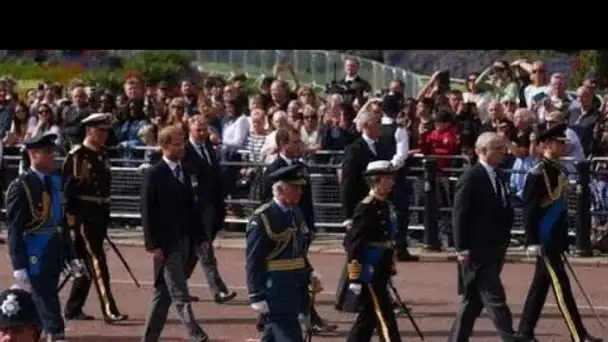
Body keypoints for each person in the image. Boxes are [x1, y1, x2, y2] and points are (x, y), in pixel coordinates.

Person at [517, 124, 603, 342]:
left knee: (539, 288)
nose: (564, 146)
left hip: (555, 239)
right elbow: (530, 210)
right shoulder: (538, 173)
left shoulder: (559, 170)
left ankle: (524, 333)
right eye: (560, 142)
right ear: (546, 144)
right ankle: (578, 335)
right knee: (561, 287)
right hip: (545, 241)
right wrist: (532, 241)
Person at [258, 127, 336, 334]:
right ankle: (308, 318)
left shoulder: (301, 167)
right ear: (282, 144)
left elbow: (307, 201)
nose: (298, 145)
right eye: (294, 142)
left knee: (297, 273)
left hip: (299, 228)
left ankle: (272, 317)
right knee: (293, 274)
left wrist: (309, 226)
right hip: (281, 232)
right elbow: (265, 199)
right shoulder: (273, 168)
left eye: (299, 142)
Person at [6, 134, 82, 342]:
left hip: (54, 250)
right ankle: (56, 334)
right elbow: (14, 228)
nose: (52, 157)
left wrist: (71, 254)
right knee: (46, 298)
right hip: (34, 252)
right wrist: (18, 264)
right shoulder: (21, 186)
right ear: (33, 155)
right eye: (47, 153)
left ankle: (33, 331)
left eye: (52, 152)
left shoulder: (55, 181)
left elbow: (61, 222)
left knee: (44, 297)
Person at [141, 124, 209, 342]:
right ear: (164, 146)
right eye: (178, 145)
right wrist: (153, 245)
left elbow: (193, 207)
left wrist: (201, 237)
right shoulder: (154, 173)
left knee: (162, 294)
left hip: (186, 241)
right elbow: (147, 211)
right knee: (179, 292)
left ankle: (149, 337)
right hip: (167, 244)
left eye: (183, 144)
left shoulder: (185, 171)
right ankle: (196, 334)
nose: (182, 149)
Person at [449, 131, 520, 342]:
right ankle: (510, 338)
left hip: (495, 246)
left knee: (472, 302)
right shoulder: (471, 177)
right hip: (477, 250)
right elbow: (459, 213)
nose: (503, 153)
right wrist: (461, 247)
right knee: (495, 298)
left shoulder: (498, 175)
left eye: (502, 148)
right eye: (497, 149)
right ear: (482, 151)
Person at [62, 113, 128, 324]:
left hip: (99, 215)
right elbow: (67, 192)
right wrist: (71, 223)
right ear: (89, 131)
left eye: (107, 131)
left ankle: (73, 307)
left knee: (86, 265)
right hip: (84, 216)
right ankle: (109, 309)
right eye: (101, 130)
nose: (105, 135)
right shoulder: (77, 156)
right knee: (98, 262)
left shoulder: (101, 154)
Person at [245, 164, 316, 342]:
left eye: (300, 187)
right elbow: (253, 259)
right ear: (280, 190)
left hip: (294, 285)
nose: (300, 191)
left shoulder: (296, 213)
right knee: (289, 335)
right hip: (275, 288)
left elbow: (298, 250)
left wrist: (309, 272)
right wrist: (255, 294)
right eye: (295, 187)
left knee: (272, 335)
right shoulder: (263, 218)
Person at [336, 109, 392, 310]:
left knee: (368, 253)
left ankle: (351, 297)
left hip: (376, 208)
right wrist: (347, 216)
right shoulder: (354, 149)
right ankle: (350, 297)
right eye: (377, 123)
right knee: (358, 250)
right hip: (361, 209)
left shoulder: (382, 147)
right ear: (366, 126)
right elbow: (348, 184)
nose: (381, 127)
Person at [342, 160, 402, 342]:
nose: (391, 182)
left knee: (368, 319)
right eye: (387, 178)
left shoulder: (386, 205)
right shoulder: (366, 207)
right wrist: (355, 276)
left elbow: (388, 240)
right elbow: (354, 244)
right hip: (369, 269)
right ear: (376, 180)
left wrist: (390, 265)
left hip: (381, 267)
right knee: (384, 316)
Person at [184, 115, 236, 303]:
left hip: (213, 207)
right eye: (199, 130)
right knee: (205, 249)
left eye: (205, 129)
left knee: (195, 251)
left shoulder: (208, 148)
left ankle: (176, 285)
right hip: (195, 209)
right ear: (190, 129)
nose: (203, 133)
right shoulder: (185, 150)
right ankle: (218, 290)